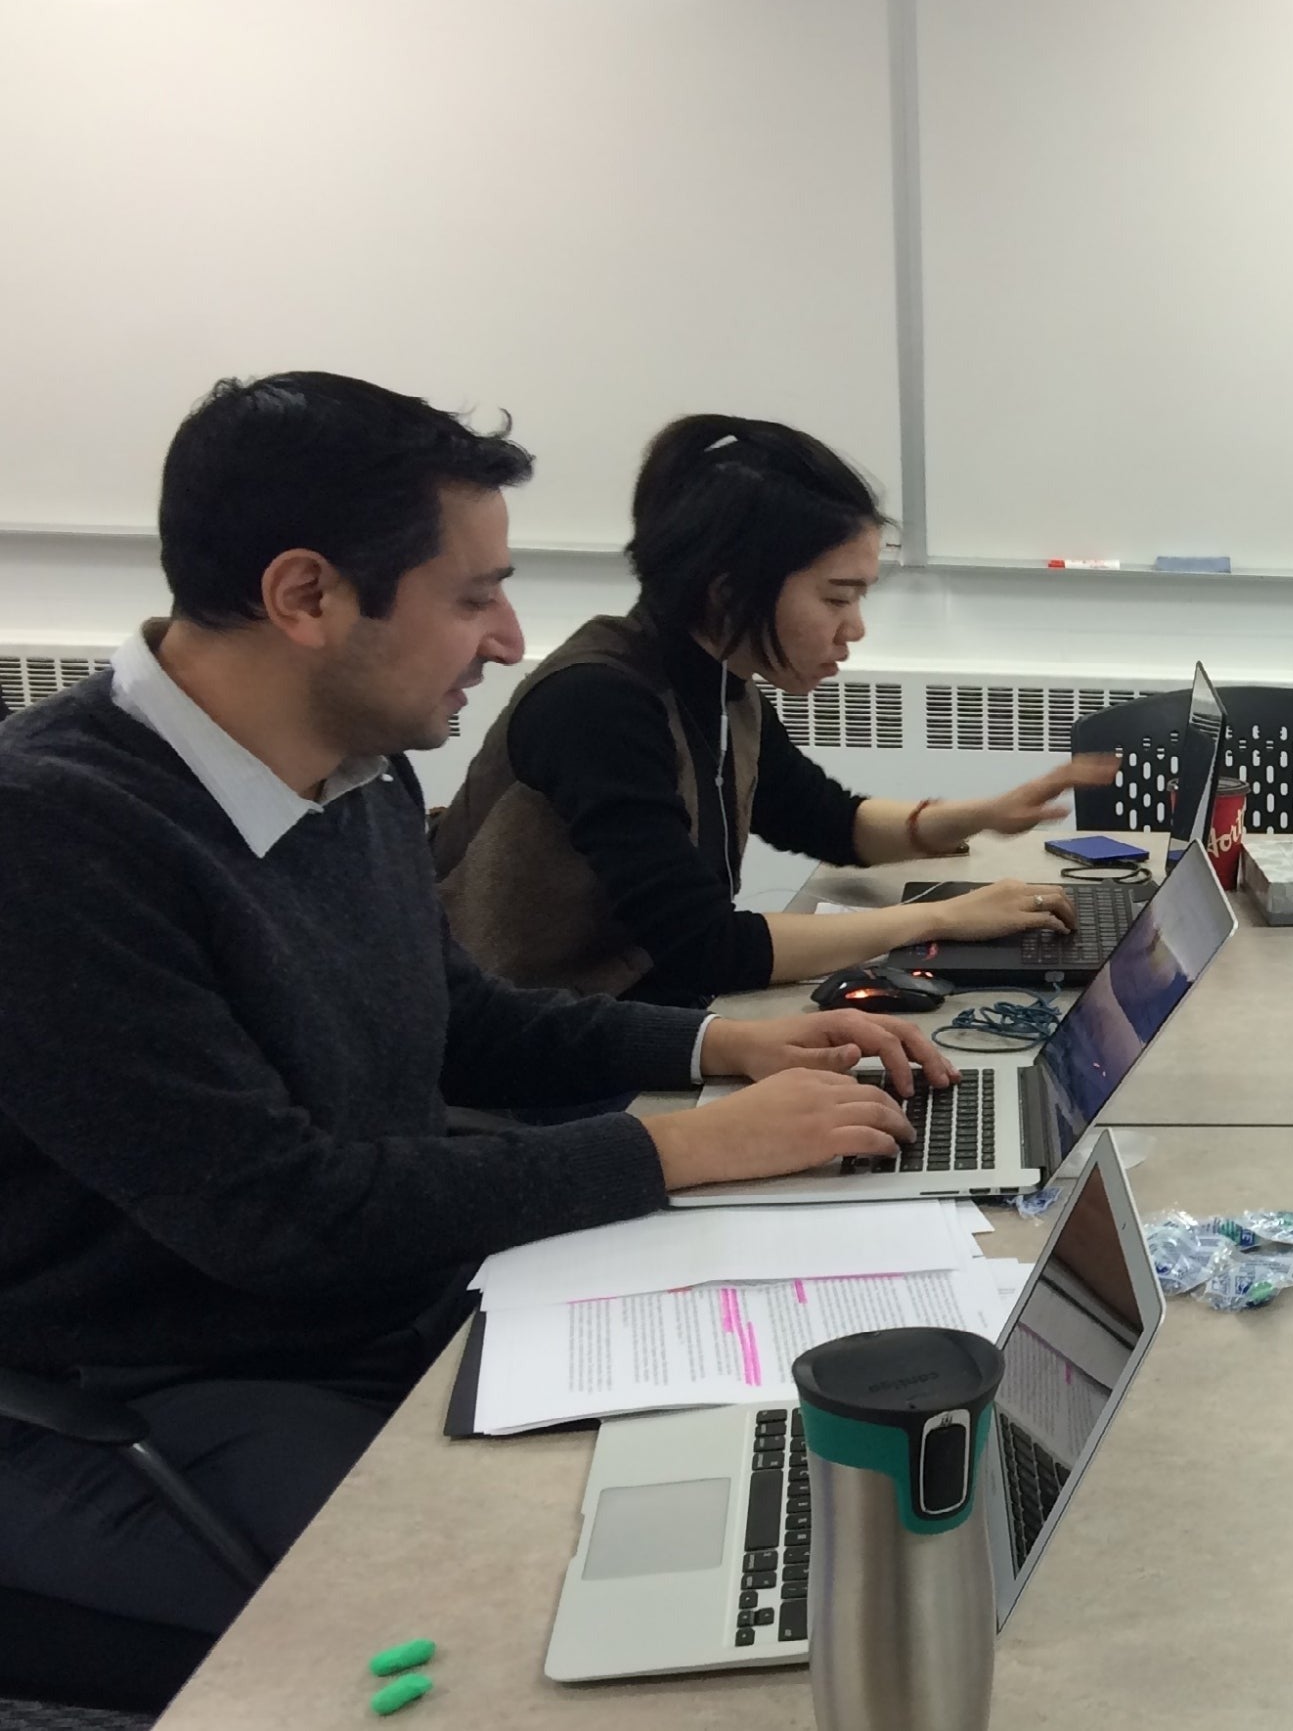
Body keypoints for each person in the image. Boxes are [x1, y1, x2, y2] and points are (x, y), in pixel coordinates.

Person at [0, 372, 950, 1689]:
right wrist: (684, 1150)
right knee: (526, 1634)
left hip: (370, 1304)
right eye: (471, 595)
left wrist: (714, 1051)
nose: (508, 637)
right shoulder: (57, 833)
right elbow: (277, 1209)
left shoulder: (351, 764)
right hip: (161, 1378)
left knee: (747, 1443)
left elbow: (455, 1020)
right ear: (307, 597)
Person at [432, 415, 1114, 1006]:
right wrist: (943, 918)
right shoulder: (598, 703)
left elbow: (831, 821)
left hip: (632, 1022)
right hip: (537, 1074)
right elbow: (704, 945)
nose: (854, 628)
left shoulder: (724, 681)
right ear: (728, 592)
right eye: (836, 597)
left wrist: (982, 815)